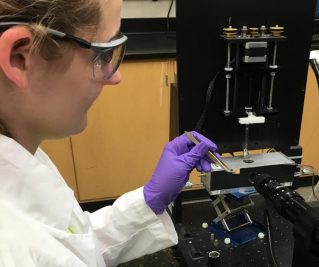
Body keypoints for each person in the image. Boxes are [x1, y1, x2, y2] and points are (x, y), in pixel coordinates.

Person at [0, 0, 218, 266]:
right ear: (19, 58)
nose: (114, 77)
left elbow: (74, 246)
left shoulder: (20, 158)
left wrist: (151, 200)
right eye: (103, 54)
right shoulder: (10, 250)